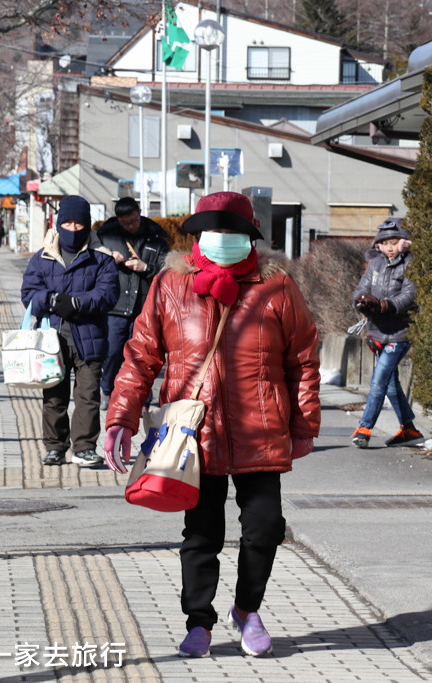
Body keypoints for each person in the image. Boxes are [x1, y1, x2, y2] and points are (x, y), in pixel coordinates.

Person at [102, 191, 320, 658]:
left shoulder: (276, 288)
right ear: (198, 237)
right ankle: (199, 621)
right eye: (214, 232)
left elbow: (303, 358)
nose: (223, 240)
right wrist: (120, 416)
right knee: (202, 534)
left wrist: (304, 425)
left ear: (250, 238)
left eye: (233, 232)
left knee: (265, 528)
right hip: (192, 436)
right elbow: (141, 357)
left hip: (260, 429)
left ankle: (248, 609)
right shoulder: (170, 285)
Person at [21, 195, 118, 468]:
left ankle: (85, 448)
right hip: (52, 338)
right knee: (54, 396)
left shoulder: (102, 257)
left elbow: (108, 294)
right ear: (59, 223)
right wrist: (49, 299)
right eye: (68, 223)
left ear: (87, 225)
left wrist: (78, 303)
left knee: (88, 396)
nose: (73, 229)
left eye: (78, 224)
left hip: (90, 336)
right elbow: (28, 293)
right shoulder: (43, 257)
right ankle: (55, 447)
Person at [349, 217, 423, 449]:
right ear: (379, 245)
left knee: (379, 381)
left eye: (394, 242)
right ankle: (409, 429)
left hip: (400, 333)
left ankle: (364, 428)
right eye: (385, 243)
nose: (390, 247)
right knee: (390, 384)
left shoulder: (411, 264)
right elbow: (362, 288)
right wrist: (360, 301)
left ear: (403, 243)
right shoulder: (375, 265)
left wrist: (384, 305)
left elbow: (410, 294)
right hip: (376, 332)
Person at [95, 197, 170, 409]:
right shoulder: (105, 236)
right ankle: (107, 391)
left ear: (140, 213)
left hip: (144, 308)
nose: (131, 226)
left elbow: (167, 270)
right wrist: (109, 257)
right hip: (116, 306)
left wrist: (146, 268)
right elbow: (92, 264)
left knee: (142, 356)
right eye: (125, 223)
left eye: (134, 220)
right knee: (111, 353)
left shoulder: (156, 237)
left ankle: (143, 398)